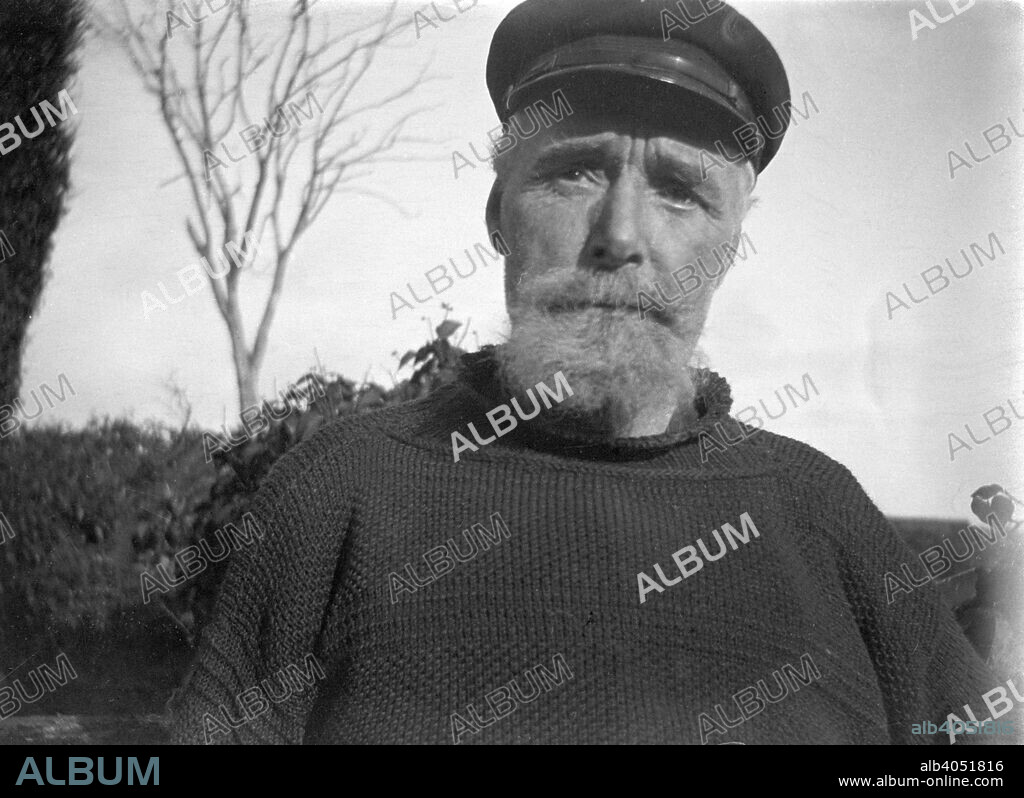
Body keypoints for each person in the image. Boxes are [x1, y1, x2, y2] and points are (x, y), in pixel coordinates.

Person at [170, 0, 998, 745]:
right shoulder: (338, 490)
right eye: (574, 171)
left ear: (731, 242)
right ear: (498, 214)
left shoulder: (826, 515)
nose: (620, 235)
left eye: (681, 191)